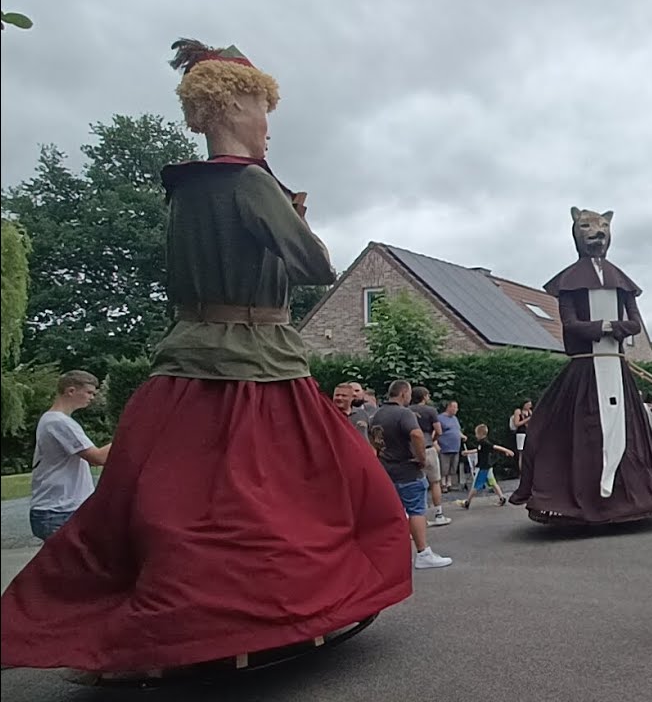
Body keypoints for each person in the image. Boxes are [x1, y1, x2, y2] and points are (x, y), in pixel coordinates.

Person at [0, 39, 411, 674]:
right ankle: (275, 616)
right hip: (258, 364)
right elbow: (315, 265)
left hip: (182, 367)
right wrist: (297, 218)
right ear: (234, 106)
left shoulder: (185, 190)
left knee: (180, 499)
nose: (268, 125)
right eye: (262, 109)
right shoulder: (250, 182)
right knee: (310, 490)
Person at [509, 207, 652, 524]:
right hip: (583, 367)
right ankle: (571, 501)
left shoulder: (621, 281)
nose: (598, 232)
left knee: (633, 432)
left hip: (616, 367)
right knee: (551, 428)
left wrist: (609, 329)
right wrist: (609, 327)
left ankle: (632, 499)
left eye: (603, 226)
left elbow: (635, 323)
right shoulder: (569, 282)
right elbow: (571, 324)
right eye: (587, 226)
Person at [372, 381, 452, 570]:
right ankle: (423, 553)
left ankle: (395, 556)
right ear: (404, 393)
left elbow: (374, 439)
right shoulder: (404, 413)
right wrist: (421, 457)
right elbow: (416, 434)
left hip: (387, 470)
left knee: (395, 513)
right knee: (416, 510)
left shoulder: (377, 414)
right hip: (407, 469)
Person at [28, 371, 112, 541]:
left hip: (61, 510)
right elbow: (98, 458)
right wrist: (130, 433)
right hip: (59, 511)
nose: (92, 397)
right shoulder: (59, 422)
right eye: (89, 392)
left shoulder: (54, 420)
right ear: (71, 391)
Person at [408, 386, 450, 527]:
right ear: (424, 397)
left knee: (417, 483)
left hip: (412, 450)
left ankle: (420, 516)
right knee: (435, 482)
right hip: (428, 447)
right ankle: (439, 514)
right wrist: (433, 439)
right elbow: (439, 430)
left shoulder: (406, 410)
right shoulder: (430, 410)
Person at [461, 424, 513, 510]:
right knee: (493, 483)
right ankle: (502, 497)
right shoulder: (481, 443)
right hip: (487, 466)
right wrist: (468, 452)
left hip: (484, 467)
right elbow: (478, 450)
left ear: (481, 434)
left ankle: (467, 502)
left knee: (476, 485)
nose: (475, 436)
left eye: (476, 434)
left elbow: (495, 447)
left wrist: (506, 450)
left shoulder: (485, 443)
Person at [437, 400, 465, 493]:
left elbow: (456, 430)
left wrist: (462, 436)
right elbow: (436, 431)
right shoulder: (440, 418)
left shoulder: (455, 419)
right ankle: (443, 484)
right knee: (444, 467)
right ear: (449, 407)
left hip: (455, 447)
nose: (456, 409)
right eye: (455, 407)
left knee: (453, 467)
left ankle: (449, 484)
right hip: (444, 447)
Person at [510, 400, 533, 471]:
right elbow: (517, 423)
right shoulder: (518, 411)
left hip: (528, 432)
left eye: (530, 405)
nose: (529, 406)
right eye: (528, 405)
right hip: (521, 433)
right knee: (521, 453)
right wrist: (527, 419)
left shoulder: (530, 412)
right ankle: (521, 470)